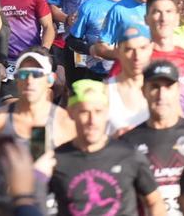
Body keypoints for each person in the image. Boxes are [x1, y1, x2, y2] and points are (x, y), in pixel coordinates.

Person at [119, 59, 184, 216]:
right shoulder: (128, 142)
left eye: (168, 87)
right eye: (155, 87)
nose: (161, 95)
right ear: (144, 91)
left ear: (177, 90)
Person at [50, 79, 166, 216]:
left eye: (98, 111)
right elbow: (34, 202)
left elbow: (154, 201)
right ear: (70, 113)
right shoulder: (56, 160)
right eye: (84, 112)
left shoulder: (129, 155)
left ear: (106, 113)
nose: (92, 120)